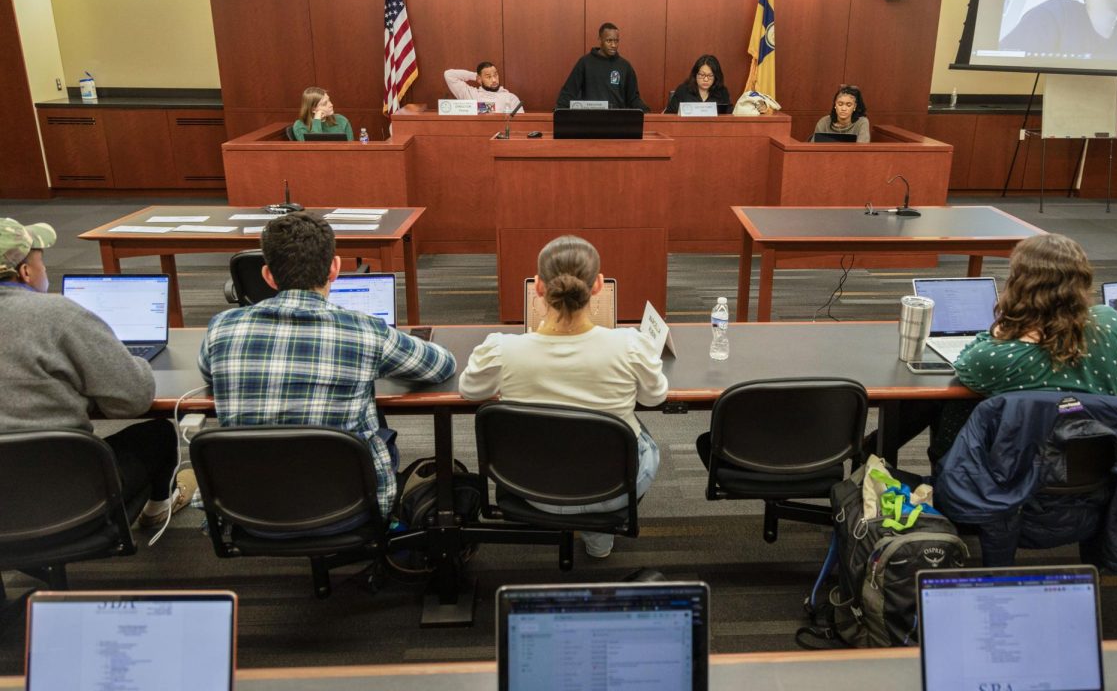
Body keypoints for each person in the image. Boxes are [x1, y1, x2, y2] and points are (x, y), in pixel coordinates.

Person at [199, 212, 456, 520]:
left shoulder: (222, 327)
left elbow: (207, 371)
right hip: (350, 507)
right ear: (335, 268)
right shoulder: (364, 330)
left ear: (268, 275)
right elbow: (441, 366)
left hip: (248, 508)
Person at [458, 235, 667, 558]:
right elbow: (654, 398)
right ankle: (598, 535)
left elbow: (470, 390)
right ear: (598, 285)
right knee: (641, 437)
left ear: (538, 287)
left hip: (529, 485)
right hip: (613, 489)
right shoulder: (630, 345)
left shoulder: (502, 349)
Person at [0, 217, 193, 528]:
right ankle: (158, 510)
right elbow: (133, 400)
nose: (44, 270)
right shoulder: (59, 314)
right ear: (24, 272)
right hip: (72, 498)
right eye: (41, 262)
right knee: (157, 433)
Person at [927, 233, 1117, 459]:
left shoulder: (994, 356)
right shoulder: (1111, 323)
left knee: (956, 407)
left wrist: (1002, 327)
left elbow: (964, 366)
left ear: (1018, 286)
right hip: (1100, 470)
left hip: (1011, 479)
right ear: (1083, 281)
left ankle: (939, 476)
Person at [556, 23, 650, 111]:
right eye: (609, 41)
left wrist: (645, 111)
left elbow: (633, 98)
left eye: (616, 41)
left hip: (618, 121)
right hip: (590, 120)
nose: (613, 45)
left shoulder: (625, 66)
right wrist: (558, 111)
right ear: (600, 39)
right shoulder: (585, 63)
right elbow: (568, 93)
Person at [444, 63, 521, 114]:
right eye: (488, 77)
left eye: (495, 75)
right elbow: (449, 75)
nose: (494, 80)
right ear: (480, 79)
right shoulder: (470, 94)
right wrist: (476, 77)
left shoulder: (511, 97)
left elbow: (520, 123)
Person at [664, 55, 731, 114]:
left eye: (710, 76)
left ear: (716, 77)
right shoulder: (683, 90)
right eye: (702, 75)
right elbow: (669, 115)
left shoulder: (722, 92)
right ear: (695, 74)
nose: (706, 79)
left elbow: (729, 117)